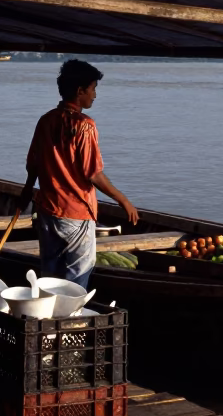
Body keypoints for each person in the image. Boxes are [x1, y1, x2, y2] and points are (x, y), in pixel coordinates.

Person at [23, 59, 138, 285]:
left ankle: (48, 316)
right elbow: (93, 173)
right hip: (75, 211)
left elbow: (33, 165)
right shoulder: (85, 125)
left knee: (50, 276)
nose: (94, 95)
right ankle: (70, 318)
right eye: (93, 89)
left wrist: (27, 191)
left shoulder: (45, 120)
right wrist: (123, 200)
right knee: (77, 278)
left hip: (47, 209)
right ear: (80, 91)